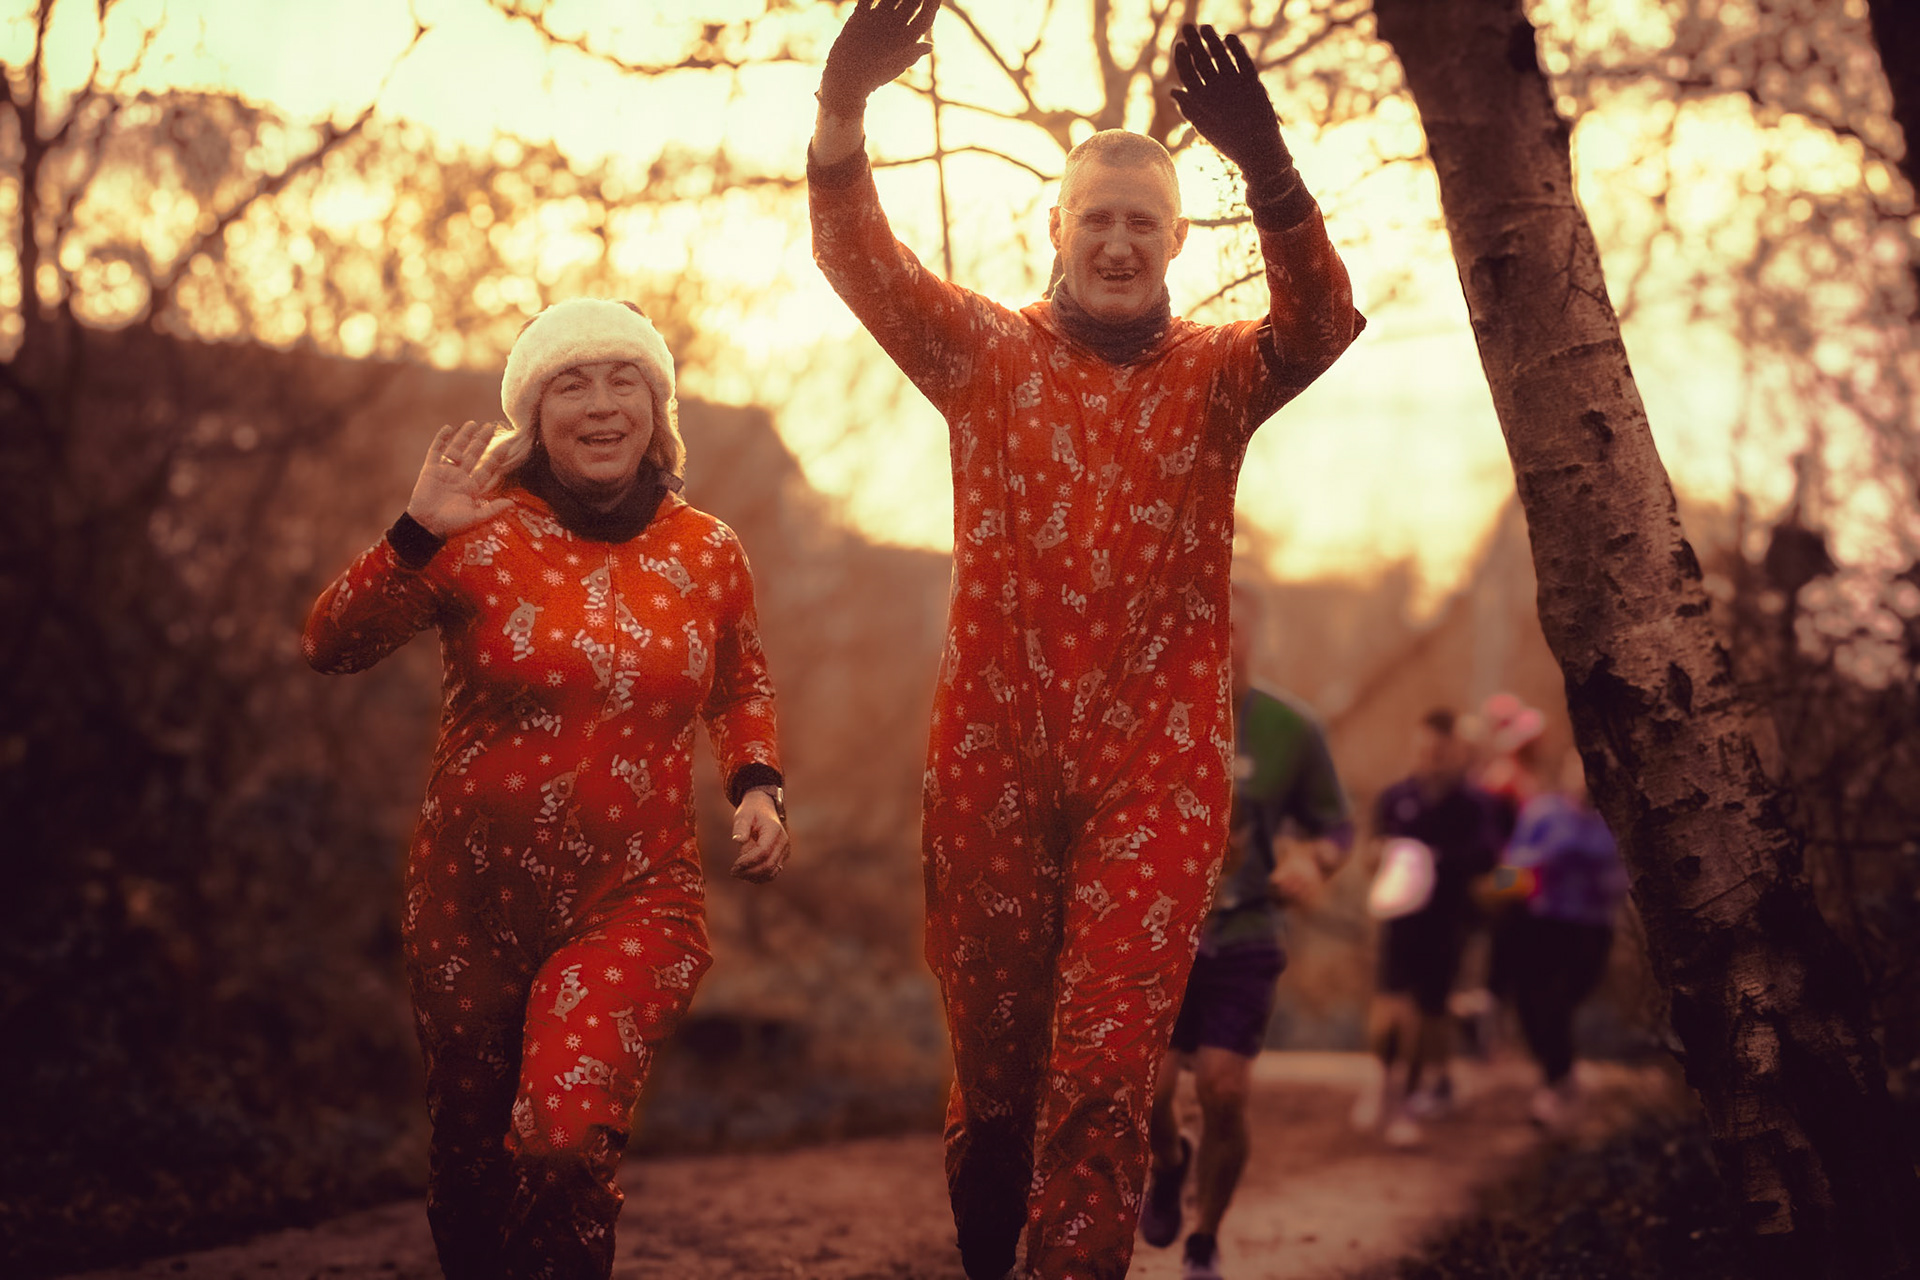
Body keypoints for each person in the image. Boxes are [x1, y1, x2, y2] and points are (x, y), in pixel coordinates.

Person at [809, 4, 1364, 1276]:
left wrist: (1269, 170)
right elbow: (858, 258)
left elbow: (1322, 325)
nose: (1117, 241)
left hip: (1156, 778)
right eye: (1095, 218)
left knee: (1107, 1076)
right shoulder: (980, 352)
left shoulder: (1221, 375)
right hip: (990, 764)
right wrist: (843, 111)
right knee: (999, 1100)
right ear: (1052, 228)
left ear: (1177, 243)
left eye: (1144, 224)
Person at [302, 298, 789, 1280]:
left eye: (625, 382)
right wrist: (411, 534)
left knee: (564, 1136)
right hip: (467, 903)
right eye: (572, 382)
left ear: (658, 410)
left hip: (632, 896)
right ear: (534, 413)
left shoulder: (708, 549)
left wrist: (759, 786)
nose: (602, 404)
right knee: (473, 1161)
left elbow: (740, 683)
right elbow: (330, 643)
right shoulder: (474, 530)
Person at [1140, 584, 1353, 1279]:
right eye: (1208, 628)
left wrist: (1311, 864)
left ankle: (1205, 1238)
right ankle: (1171, 1166)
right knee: (1149, 1096)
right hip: (1157, 934)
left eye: (1234, 629)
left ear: (1256, 635)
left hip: (1247, 931)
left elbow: (1335, 827)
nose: (1221, 641)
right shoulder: (1148, 717)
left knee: (1225, 1090)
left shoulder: (1291, 728)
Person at [1353, 708, 1500, 1147]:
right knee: (1389, 1010)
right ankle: (1381, 1081)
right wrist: (1380, 859)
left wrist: (1434, 860)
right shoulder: (1394, 797)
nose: (1431, 759)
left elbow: (1490, 860)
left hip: (1448, 923)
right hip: (1399, 921)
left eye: (1440, 751)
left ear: (1457, 752)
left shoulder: (1475, 805)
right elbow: (1370, 856)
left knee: (1425, 1014)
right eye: (1424, 750)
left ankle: (1408, 1099)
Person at [1489, 751, 1629, 1128]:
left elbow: (1625, 882)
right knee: (1535, 1007)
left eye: (1593, 773)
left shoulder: (1617, 822)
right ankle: (1557, 1082)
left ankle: (1557, 1082)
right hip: (1542, 923)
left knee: (1559, 1003)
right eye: (1578, 771)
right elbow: (1507, 872)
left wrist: (1606, 879)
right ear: (1566, 772)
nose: (1584, 780)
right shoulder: (1542, 813)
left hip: (1591, 928)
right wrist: (1538, 862)